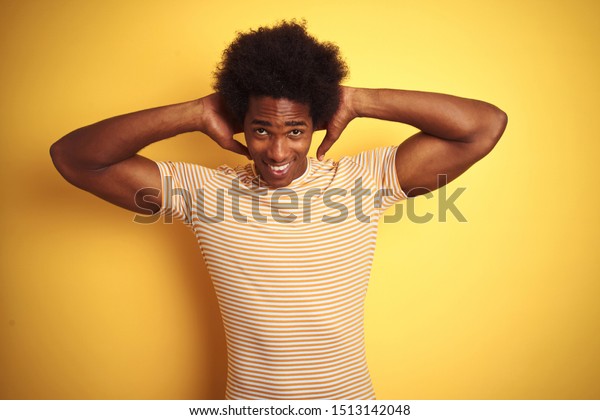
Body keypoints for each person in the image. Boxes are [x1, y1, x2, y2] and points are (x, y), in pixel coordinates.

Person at [50, 20, 507, 400]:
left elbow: (483, 126)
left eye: (295, 130)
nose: (277, 150)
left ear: (317, 126)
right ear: (240, 126)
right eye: (262, 129)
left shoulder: (363, 181)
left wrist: (360, 100)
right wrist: (195, 112)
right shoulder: (204, 191)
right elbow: (76, 157)